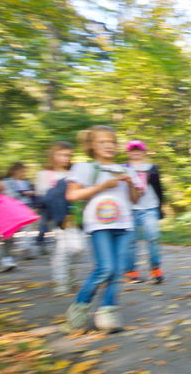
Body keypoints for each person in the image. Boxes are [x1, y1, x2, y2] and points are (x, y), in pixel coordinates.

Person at [65, 126, 142, 333]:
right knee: (105, 268)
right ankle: (79, 308)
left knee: (116, 271)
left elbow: (134, 200)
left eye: (112, 142)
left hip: (124, 225)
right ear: (91, 145)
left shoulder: (127, 169)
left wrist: (133, 187)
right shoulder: (84, 168)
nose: (108, 146)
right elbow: (72, 196)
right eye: (102, 142)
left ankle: (108, 313)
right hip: (98, 225)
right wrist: (102, 186)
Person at [123, 140, 166, 284]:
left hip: (150, 208)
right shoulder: (123, 169)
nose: (136, 153)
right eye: (133, 150)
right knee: (130, 241)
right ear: (128, 153)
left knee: (153, 238)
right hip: (130, 209)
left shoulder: (151, 168)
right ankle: (130, 271)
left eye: (139, 150)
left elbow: (159, 189)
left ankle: (155, 269)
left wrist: (160, 208)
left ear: (144, 152)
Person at [36, 141, 75, 294]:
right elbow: (42, 197)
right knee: (62, 248)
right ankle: (61, 282)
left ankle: (69, 277)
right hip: (55, 216)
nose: (66, 158)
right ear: (53, 155)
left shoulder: (73, 173)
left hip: (72, 215)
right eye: (61, 154)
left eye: (68, 155)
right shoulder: (44, 174)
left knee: (75, 248)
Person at [2, 161, 38, 259]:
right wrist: (24, 193)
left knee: (29, 228)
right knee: (11, 230)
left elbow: (33, 194)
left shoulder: (26, 182)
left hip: (27, 207)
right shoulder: (7, 181)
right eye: (21, 171)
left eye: (24, 171)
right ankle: (9, 253)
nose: (23, 173)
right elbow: (10, 195)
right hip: (13, 208)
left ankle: (27, 250)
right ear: (14, 171)